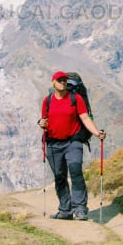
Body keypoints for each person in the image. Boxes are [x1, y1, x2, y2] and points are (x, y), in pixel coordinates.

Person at [38, 71, 106, 221]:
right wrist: (41, 123)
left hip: (73, 142)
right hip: (53, 143)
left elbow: (85, 117)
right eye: (60, 80)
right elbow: (44, 120)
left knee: (75, 172)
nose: (63, 82)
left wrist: (96, 133)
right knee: (59, 177)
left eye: (65, 80)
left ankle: (80, 209)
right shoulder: (47, 100)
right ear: (53, 83)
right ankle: (65, 210)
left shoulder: (76, 99)